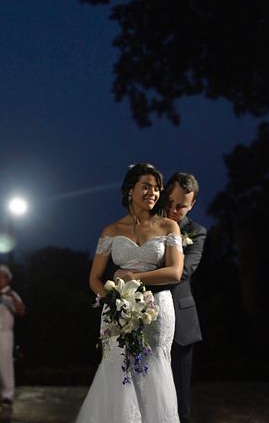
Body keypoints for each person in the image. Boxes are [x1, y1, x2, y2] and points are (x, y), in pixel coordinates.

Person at [76, 163, 184, 423]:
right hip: (117, 312)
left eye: (157, 188)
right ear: (129, 190)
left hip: (157, 309)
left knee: (154, 366)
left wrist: (135, 277)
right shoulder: (111, 231)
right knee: (117, 367)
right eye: (146, 186)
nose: (153, 193)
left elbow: (174, 272)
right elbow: (94, 278)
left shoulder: (169, 227)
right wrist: (114, 302)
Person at [164, 172, 207, 423]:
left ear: (192, 205)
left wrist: (138, 275)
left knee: (181, 406)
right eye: (169, 201)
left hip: (181, 321)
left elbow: (182, 272)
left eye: (181, 205)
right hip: (145, 319)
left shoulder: (196, 232)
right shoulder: (149, 224)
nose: (173, 209)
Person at [0, 264, 26, 406]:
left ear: (8, 279)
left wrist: (12, 296)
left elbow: (21, 311)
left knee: (4, 364)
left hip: (4, 334)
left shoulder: (11, 294)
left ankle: (7, 395)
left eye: (2, 276)